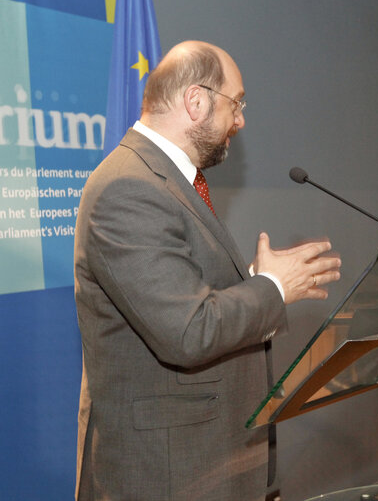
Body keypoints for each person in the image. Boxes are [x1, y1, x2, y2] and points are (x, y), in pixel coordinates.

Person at [73, 41, 342, 501]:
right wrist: (272, 287)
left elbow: (183, 296)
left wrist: (255, 281)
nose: (240, 121)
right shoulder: (127, 187)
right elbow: (187, 331)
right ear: (196, 102)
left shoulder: (170, 180)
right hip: (166, 473)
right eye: (236, 104)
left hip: (205, 461)